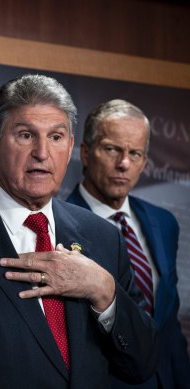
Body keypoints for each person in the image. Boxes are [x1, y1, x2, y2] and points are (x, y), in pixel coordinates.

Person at [0, 74, 159, 388]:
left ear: (71, 147)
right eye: (25, 135)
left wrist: (104, 291)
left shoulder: (104, 237)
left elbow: (142, 363)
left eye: (56, 137)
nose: (42, 153)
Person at [66, 99, 190, 388]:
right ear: (85, 153)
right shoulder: (58, 227)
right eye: (112, 149)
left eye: (135, 154)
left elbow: (168, 325)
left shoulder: (164, 223)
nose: (123, 163)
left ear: (144, 162)